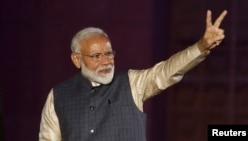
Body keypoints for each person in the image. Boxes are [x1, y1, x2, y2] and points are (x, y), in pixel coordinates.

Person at [39, 10, 227, 141]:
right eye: (97, 56)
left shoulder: (132, 83)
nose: (106, 61)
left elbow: (167, 71)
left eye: (109, 53)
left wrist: (201, 46)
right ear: (76, 59)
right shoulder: (58, 95)